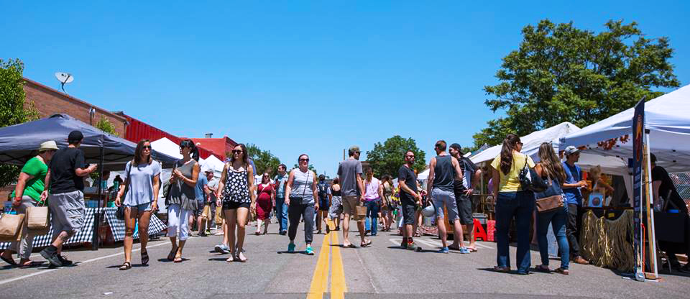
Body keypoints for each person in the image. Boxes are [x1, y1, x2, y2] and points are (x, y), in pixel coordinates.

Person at [39, 131, 98, 267]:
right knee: (74, 225)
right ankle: (51, 250)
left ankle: (56, 258)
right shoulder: (78, 153)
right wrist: (90, 169)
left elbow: (48, 173)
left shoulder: (56, 154)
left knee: (58, 227)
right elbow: (79, 172)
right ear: (81, 141)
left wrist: (45, 189)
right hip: (70, 192)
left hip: (54, 193)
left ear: (67, 140)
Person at [0, 141, 57, 267]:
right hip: (29, 197)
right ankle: (24, 258)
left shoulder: (42, 162)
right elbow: (22, 179)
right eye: (53, 151)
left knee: (25, 229)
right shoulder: (35, 162)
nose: (54, 154)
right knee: (30, 229)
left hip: (31, 198)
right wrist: (18, 198)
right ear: (47, 151)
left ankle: (8, 253)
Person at [490, 134, 535, 274]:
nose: (521, 146)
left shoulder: (498, 159)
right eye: (520, 143)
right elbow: (534, 175)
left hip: (505, 196)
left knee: (502, 231)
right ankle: (523, 267)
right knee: (523, 231)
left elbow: (495, 183)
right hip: (525, 196)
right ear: (516, 144)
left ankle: (504, 264)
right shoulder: (526, 158)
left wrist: (495, 197)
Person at [114, 139, 161, 270]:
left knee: (143, 229)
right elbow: (125, 182)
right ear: (139, 149)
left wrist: (155, 200)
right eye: (144, 147)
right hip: (130, 200)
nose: (147, 149)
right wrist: (119, 194)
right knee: (129, 230)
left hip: (146, 200)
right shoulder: (130, 164)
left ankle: (143, 249)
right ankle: (127, 261)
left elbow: (156, 183)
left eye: (149, 147)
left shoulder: (154, 165)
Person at [534, 142, 570, 275]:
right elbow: (562, 183)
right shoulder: (558, 166)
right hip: (561, 202)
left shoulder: (540, 166)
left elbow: (535, 182)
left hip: (546, 204)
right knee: (561, 234)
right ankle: (564, 266)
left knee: (542, 234)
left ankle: (545, 264)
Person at [651, 153, 690, 272]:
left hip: (676, 207)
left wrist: (655, 204)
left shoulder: (657, 170)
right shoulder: (655, 171)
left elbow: (655, 189)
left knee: (684, 234)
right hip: (671, 208)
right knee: (666, 234)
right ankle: (673, 261)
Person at [216, 144, 255, 262]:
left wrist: (253, 201)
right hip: (229, 198)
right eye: (234, 151)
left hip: (243, 199)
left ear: (243, 153)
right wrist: (219, 194)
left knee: (241, 224)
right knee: (231, 226)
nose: (236, 153)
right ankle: (232, 253)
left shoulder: (248, 167)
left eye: (238, 151)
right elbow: (222, 181)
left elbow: (251, 185)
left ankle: (239, 250)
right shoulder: (228, 166)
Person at [426, 140, 465, 254]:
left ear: (437, 148)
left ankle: (444, 246)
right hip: (449, 191)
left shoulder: (434, 160)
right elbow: (460, 176)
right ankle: (462, 246)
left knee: (440, 218)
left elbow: (431, 178)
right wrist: (452, 181)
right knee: (456, 219)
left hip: (437, 190)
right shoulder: (453, 160)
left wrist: (429, 193)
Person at [166, 139, 201, 263]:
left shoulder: (195, 164)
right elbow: (172, 179)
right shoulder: (176, 163)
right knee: (171, 224)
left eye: (183, 146)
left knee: (183, 226)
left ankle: (179, 250)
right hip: (174, 195)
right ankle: (174, 246)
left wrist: (181, 177)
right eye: (180, 146)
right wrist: (172, 179)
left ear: (189, 149)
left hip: (187, 197)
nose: (180, 148)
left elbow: (194, 183)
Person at [449, 143, 481, 252]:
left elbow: (478, 171)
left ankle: (472, 244)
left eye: (451, 150)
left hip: (463, 193)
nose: (450, 151)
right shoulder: (451, 161)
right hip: (453, 193)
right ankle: (455, 243)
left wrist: (472, 187)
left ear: (457, 150)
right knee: (455, 218)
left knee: (467, 219)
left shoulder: (465, 161)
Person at [285, 154, 319, 254]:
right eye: (303, 159)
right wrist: (287, 197)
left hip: (308, 202)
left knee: (309, 223)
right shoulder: (294, 172)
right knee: (293, 224)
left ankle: (308, 245)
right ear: (299, 161)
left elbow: (314, 188)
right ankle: (291, 242)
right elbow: (289, 185)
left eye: (307, 160)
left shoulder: (312, 174)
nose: (305, 161)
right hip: (295, 201)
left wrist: (316, 202)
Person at [561, 145, 590, 265]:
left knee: (578, 227)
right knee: (571, 228)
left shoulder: (578, 169)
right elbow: (561, 184)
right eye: (576, 154)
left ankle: (572, 253)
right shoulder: (562, 167)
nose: (578, 155)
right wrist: (576, 185)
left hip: (578, 199)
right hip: (568, 200)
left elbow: (577, 183)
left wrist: (583, 186)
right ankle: (576, 254)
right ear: (570, 155)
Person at [337, 146, 370, 248]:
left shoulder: (342, 163)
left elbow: (340, 179)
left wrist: (342, 190)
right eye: (359, 153)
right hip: (355, 194)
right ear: (354, 153)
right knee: (360, 218)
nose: (359, 155)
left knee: (346, 216)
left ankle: (345, 240)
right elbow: (358, 178)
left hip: (345, 194)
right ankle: (363, 240)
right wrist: (363, 193)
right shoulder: (357, 163)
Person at [399, 150, 423, 251]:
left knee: (408, 219)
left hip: (412, 198)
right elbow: (402, 183)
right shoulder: (403, 169)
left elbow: (414, 186)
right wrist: (412, 193)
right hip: (407, 198)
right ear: (405, 158)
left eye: (413, 156)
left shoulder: (412, 171)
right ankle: (410, 241)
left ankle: (405, 241)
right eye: (409, 156)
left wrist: (418, 194)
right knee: (409, 220)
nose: (412, 158)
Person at [363, 168, 383, 236]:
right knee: (374, 216)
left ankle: (367, 227)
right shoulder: (377, 181)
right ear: (373, 173)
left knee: (366, 215)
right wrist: (381, 199)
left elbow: (363, 191)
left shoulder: (365, 181)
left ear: (366, 173)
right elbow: (380, 191)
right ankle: (374, 232)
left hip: (367, 200)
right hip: (375, 200)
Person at [273, 164, 289, 235]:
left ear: (284, 169)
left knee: (284, 213)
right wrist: (275, 186)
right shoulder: (276, 177)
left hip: (285, 197)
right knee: (278, 214)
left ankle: (284, 229)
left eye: (279, 168)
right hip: (278, 197)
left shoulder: (288, 177)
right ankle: (281, 227)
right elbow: (273, 187)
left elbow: (291, 187)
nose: (278, 169)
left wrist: (287, 184)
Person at [194, 167, 210, 236]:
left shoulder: (192, 176)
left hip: (192, 198)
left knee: (191, 214)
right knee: (200, 215)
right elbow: (205, 188)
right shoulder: (203, 177)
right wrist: (208, 195)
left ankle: (188, 230)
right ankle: (200, 231)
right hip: (200, 198)